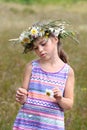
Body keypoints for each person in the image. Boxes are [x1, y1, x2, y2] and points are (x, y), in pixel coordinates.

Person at [10, 20, 78, 130]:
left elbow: (69, 104)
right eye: (36, 48)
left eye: (43, 44)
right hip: (27, 123)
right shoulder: (31, 67)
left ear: (55, 39)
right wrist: (21, 96)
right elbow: (23, 100)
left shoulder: (67, 71)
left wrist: (60, 99)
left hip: (51, 126)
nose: (40, 50)